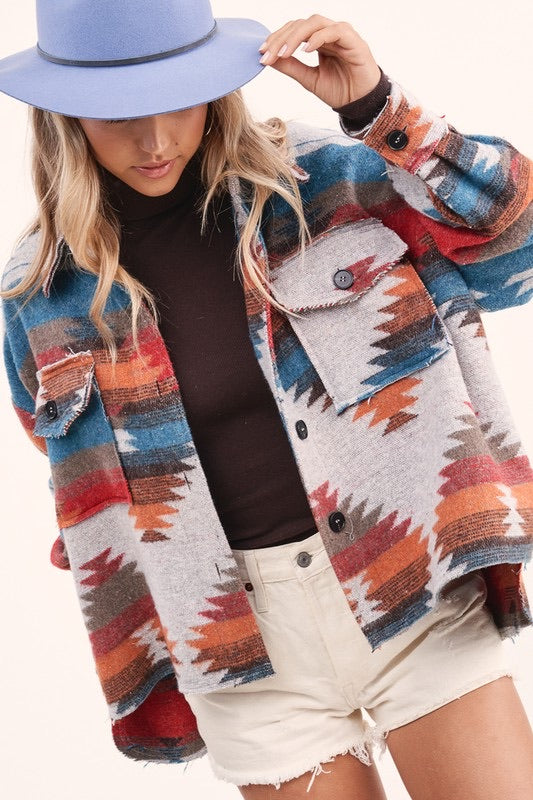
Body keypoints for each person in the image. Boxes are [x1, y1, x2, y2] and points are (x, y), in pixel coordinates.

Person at [1, 1, 532, 798]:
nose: (154, 140)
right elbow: (84, 486)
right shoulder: (38, 296)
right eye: (119, 115)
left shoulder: (327, 183)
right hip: (241, 650)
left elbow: (515, 253)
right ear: (64, 115)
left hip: (412, 577)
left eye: (177, 101)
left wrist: (379, 108)